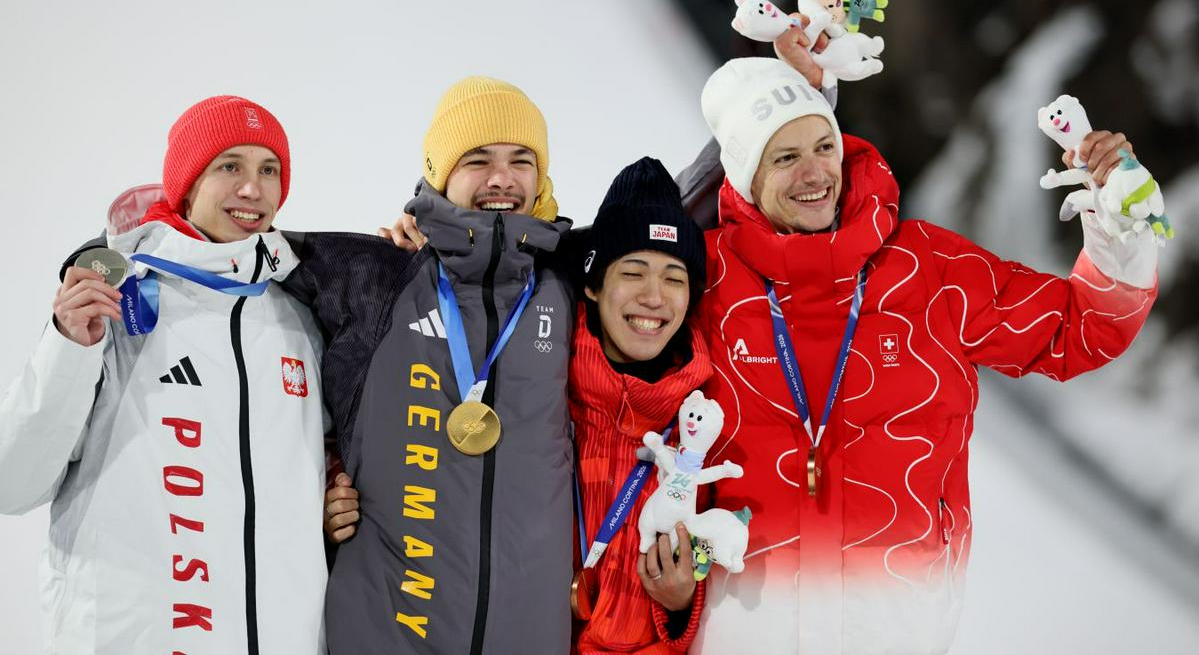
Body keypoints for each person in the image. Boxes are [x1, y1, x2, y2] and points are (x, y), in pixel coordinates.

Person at [689, 56, 1159, 654]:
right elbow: (607, 300)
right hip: (743, 632)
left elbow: (1081, 327)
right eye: (784, 157)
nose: (814, 173)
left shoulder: (928, 270)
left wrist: (1118, 222)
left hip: (893, 627)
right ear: (744, 175)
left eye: (824, 146)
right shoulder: (702, 281)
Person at [0, 96, 328, 654]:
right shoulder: (114, 302)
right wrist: (68, 348)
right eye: (230, 166)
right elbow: (13, 482)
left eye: (267, 169)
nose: (253, 189)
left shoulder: (297, 317)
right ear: (187, 181)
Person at [288, 76, 575, 653]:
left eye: (523, 160)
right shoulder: (377, 274)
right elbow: (223, 253)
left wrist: (799, 87)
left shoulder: (570, 282)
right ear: (441, 174)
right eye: (478, 160)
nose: (503, 178)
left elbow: (679, 222)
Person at [569, 157, 712, 653]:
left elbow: (713, 556)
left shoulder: (704, 423)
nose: (654, 297)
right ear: (592, 284)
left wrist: (679, 603)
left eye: (674, 278)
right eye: (633, 272)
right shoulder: (541, 392)